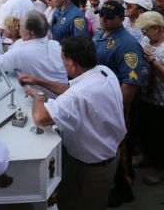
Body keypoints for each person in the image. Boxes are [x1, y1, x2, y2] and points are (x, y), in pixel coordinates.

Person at [23, 36, 125, 210]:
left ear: (71, 63)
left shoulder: (78, 95)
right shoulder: (103, 71)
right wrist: (39, 81)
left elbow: (40, 118)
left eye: (63, 59)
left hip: (91, 168)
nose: (62, 63)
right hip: (102, 156)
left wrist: (38, 95)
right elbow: (73, 90)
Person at [92, 0, 148, 207]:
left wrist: (119, 110)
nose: (103, 20)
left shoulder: (128, 44)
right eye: (102, 16)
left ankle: (125, 186)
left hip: (120, 105)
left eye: (109, 17)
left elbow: (130, 82)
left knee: (121, 147)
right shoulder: (101, 34)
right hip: (102, 99)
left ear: (121, 19)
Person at [134, 12, 164, 185]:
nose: (144, 33)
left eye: (146, 29)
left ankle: (160, 168)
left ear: (157, 28)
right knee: (145, 131)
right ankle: (147, 157)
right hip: (146, 96)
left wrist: (154, 61)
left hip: (163, 101)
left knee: (160, 137)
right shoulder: (146, 40)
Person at [0, 11, 68, 96]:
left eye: (19, 26)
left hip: (44, 103)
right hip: (64, 97)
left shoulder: (19, 53)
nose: (18, 29)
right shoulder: (56, 45)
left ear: (29, 34)